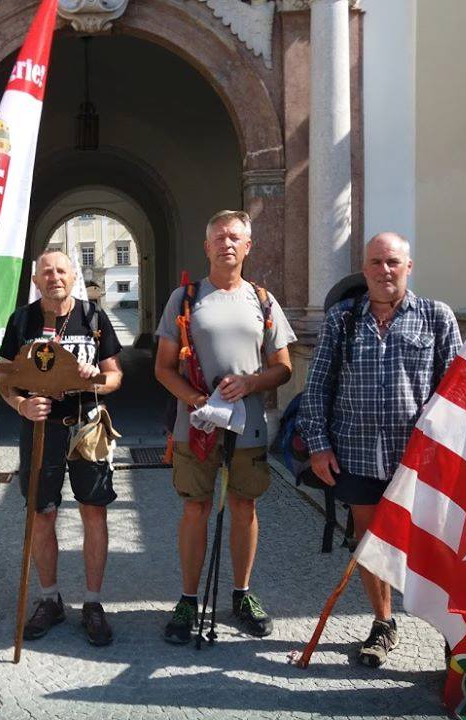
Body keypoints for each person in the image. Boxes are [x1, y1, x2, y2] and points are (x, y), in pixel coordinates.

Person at [300, 232, 462, 668]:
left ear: (409, 266)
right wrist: (318, 447)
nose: (384, 270)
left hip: (420, 463)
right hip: (357, 453)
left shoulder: (437, 317)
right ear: (364, 268)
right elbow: (316, 390)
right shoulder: (342, 319)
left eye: (393, 262)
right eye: (376, 262)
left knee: (434, 545)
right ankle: (383, 622)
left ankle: (453, 635)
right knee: (372, 543)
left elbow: (458, 394)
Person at [155, 210, 296, 644]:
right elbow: (162, 368)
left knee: (244, 508)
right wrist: (199, 401)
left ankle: (242, 594)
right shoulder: (184, 298)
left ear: (248, 247)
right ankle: (187, 599)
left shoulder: (264, 300)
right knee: (194, 508)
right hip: (194, 425)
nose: (226, 243)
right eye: (218, 237)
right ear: (207, 246)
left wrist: (251, 382)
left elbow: (284, 368)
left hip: (247, 426)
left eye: (235, 237)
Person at [0, 250, 123, 646]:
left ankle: (93, 603)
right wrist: (20, 404)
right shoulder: (22, 321)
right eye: (46, 271)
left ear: (73, 276)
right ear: (36, 280)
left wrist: (96, 379)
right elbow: (4, 378)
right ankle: (50, 599)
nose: (54, 277)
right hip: (40, 430)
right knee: (42, 514)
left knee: (93, 511)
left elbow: (115, 375)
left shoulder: (93, 318)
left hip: (86, 427)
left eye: (61, 270)